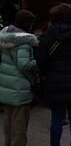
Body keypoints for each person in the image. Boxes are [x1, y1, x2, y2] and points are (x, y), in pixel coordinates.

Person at [37, 3, 71, 146]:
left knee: (56, 116)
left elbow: (41, 61)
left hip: (54, 81)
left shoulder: (48, 35)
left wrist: (44, 75)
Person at [0, 10, 37, 146]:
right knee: (20, 125)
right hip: (19, 87)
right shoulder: (24, 41)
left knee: (8, 122)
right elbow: (24, 64)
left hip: (6, 86)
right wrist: (37, 63)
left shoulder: (4, 36)